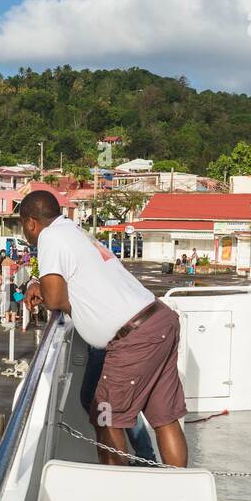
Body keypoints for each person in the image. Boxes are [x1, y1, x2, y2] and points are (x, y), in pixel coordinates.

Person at [21, 190, 188, 468]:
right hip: (159, 319)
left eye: (23, 227)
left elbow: (55, 299)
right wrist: (40, 282)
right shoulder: (72, 229)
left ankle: (116, 490)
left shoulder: (48, 237)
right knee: (165, 417)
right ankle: (181, 488)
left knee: (105, 415)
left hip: (134, 338)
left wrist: (43, 290)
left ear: (30, 223)